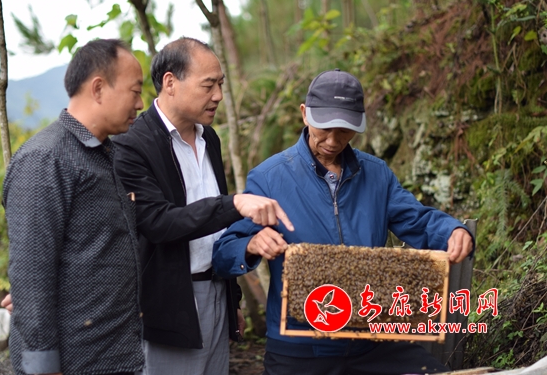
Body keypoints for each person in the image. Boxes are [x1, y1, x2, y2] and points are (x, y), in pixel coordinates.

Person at [212, 69, 474, 375]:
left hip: (371, 340)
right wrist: (251, 244)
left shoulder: (376, 174)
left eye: (345, 131)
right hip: (300, 348)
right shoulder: (269, 178)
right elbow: (224, 252)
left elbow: (416, 219)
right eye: (325, 128)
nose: (333, 141)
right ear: (305, 114)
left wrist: (452, 230)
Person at [111, 37, 293, 375]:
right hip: (171, 303)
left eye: (220, 84)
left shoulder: (209, 138)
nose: (218, 96)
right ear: (170, 83)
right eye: (208, 85)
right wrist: (234, 203)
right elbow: (159, 222)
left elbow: (216, 235)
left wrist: (232, 299)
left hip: (216, 291)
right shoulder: (132, 145)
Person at [2, 39, 145, 375]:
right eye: (135, 91)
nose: (140, 103)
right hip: (75, 361)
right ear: (98, 88)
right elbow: (31, 273)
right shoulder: (45, 159)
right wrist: (43, 366)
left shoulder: (105, 154)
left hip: (115, 353)